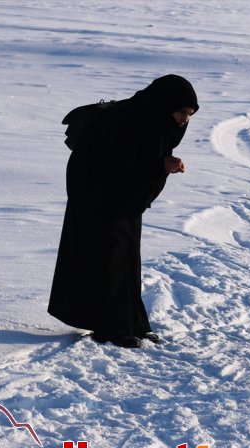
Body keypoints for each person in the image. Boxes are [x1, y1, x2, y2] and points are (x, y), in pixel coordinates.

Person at [48, 75, 199, 348]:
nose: (184, 120)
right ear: (166, 105)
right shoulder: (129, 122)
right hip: (97, 193)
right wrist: (160, 167)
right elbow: (120, 167)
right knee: (108, 256)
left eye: (189, 115)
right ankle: (110, 327)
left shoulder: (155, 121)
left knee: (126, 255)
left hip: (120, 196)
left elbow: (141, 165)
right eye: (181, 112)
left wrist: (161, 165)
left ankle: (132, 324)